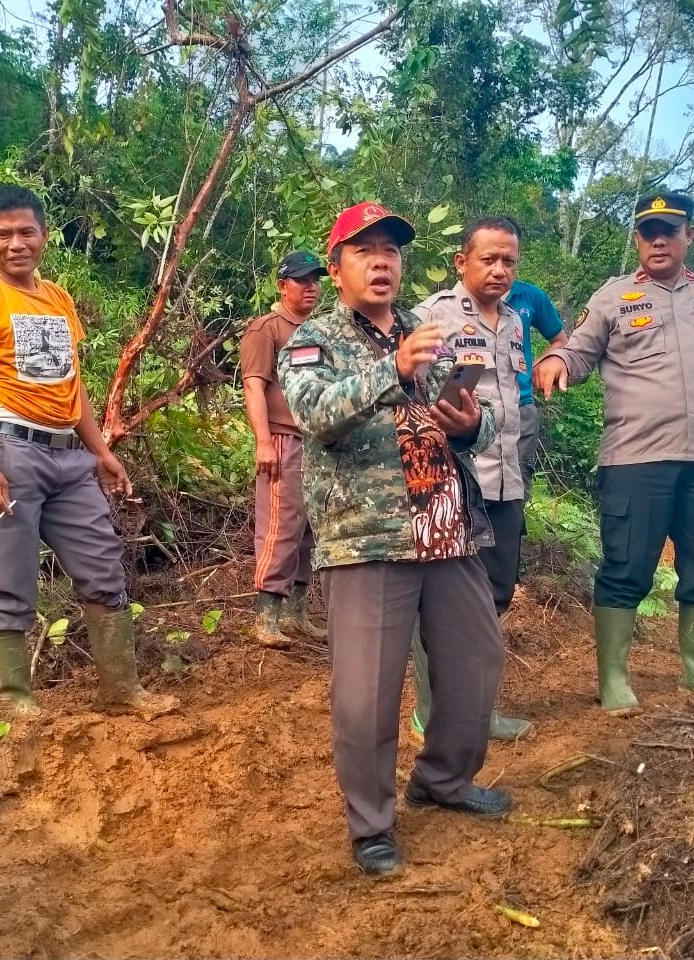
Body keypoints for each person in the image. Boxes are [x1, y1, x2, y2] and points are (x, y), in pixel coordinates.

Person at [278, 201, 512, 877]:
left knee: (475, 665)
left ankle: (441, 779)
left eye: (391, 251)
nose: (382, 262)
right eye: (365, 251)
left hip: (448, 526)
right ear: (338, 266)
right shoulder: (312, 338)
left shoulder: (425, 331)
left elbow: (483, 422)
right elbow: (316, 414)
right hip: (371, 537)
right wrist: (392, 372)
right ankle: (371, 824)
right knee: (367, 694)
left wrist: (469, 423)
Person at [533, 191, 694, 717]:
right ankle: (615, 680)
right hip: (634, 461)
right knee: (626, 568)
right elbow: (576, 348)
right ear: (637, 239)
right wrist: (555, 360)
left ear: (689, 235)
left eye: (669, 230)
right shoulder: (613, 297)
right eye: (647, 232)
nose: (658, 240)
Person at [0, 185, 176, 716]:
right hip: (9, 448)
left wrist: (101, 451)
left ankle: (121, 689)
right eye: (3, 234)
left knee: (103, 564)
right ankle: (15, 700)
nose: (16, 243)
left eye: (26, 232)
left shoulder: (59, 299)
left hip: (69, 458)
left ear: (44, 236)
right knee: (9, 575)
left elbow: (72, 384)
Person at [409, 217, 534, 742]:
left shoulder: (513, 322)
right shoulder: (430, 315)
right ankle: (431, 711)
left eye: (509, 260)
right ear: (462, 262)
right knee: (441, 604)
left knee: (496, 594)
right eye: (489, 259)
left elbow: (511, 403)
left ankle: (478, 708)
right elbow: (406, 387)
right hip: (453, 484)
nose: (500, 270)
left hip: (504, 480)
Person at [241, 250, 327, 646]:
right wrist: (263, 442)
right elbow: (254, 385)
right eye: (301, 280)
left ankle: (296, 614)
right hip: (282, 438)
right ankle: (265, 618)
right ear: (282, 285)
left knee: (310, 529)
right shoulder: (267, 329)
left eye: (315, 280)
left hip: (318, 440)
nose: (310, 287)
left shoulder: (321, 329)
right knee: (279, 526)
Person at [507, 278, 568, 491]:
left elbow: (560, 340)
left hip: (521, 406)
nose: (499, 269)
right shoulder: (456, 302)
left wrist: (538, 365)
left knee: (517, 486)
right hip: (475, 407)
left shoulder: (529, 296)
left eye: (508, 259)